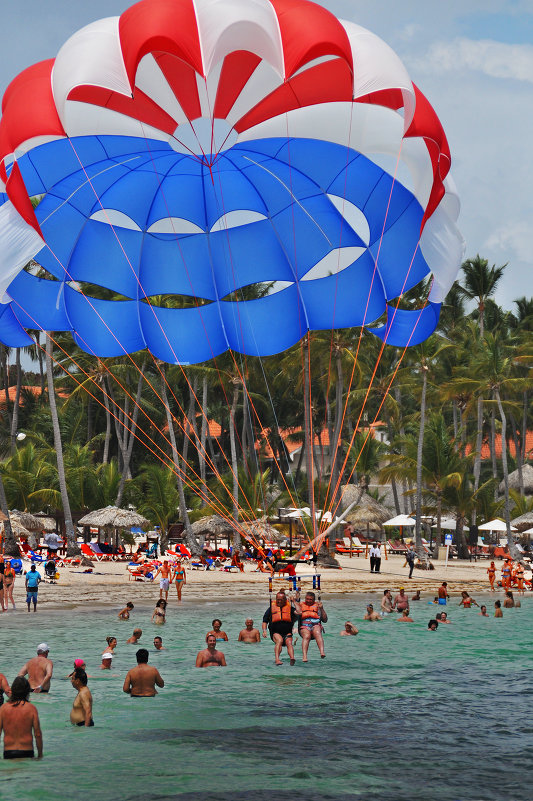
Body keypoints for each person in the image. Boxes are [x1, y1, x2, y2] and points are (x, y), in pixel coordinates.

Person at [0, 677, 42, 759]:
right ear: (27, 691)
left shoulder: (3, 708)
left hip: (9, 752)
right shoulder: (31, 708)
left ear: (13, 690)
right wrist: (40, 755)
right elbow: (38, 734)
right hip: (27, 751)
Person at [262, 591, 300, 666]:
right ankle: (277, 659)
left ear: (285, 600)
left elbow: (299, 612)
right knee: (279, 640)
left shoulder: (290, 608)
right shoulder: (271, 608)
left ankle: (292, 658)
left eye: (281, 599)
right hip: (275, 632)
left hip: (287, 632)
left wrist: (294, 601)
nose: (279, 601)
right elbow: (264, 621)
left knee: (289, 642)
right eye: (277, 599)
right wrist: (264, 631)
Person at [298, 591, 327, 661]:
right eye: (307, 599)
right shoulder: (301, 605)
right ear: (305, 598)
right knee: (306, 636)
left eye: (310, 599)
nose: (308, 601)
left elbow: (325, 620)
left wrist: (322, 609)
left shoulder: (318, 606)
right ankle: (304, 656)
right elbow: (294, 613)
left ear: (314, 600)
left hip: (315, 625)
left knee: (317, 633)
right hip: (304, 626)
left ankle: (322, 652)